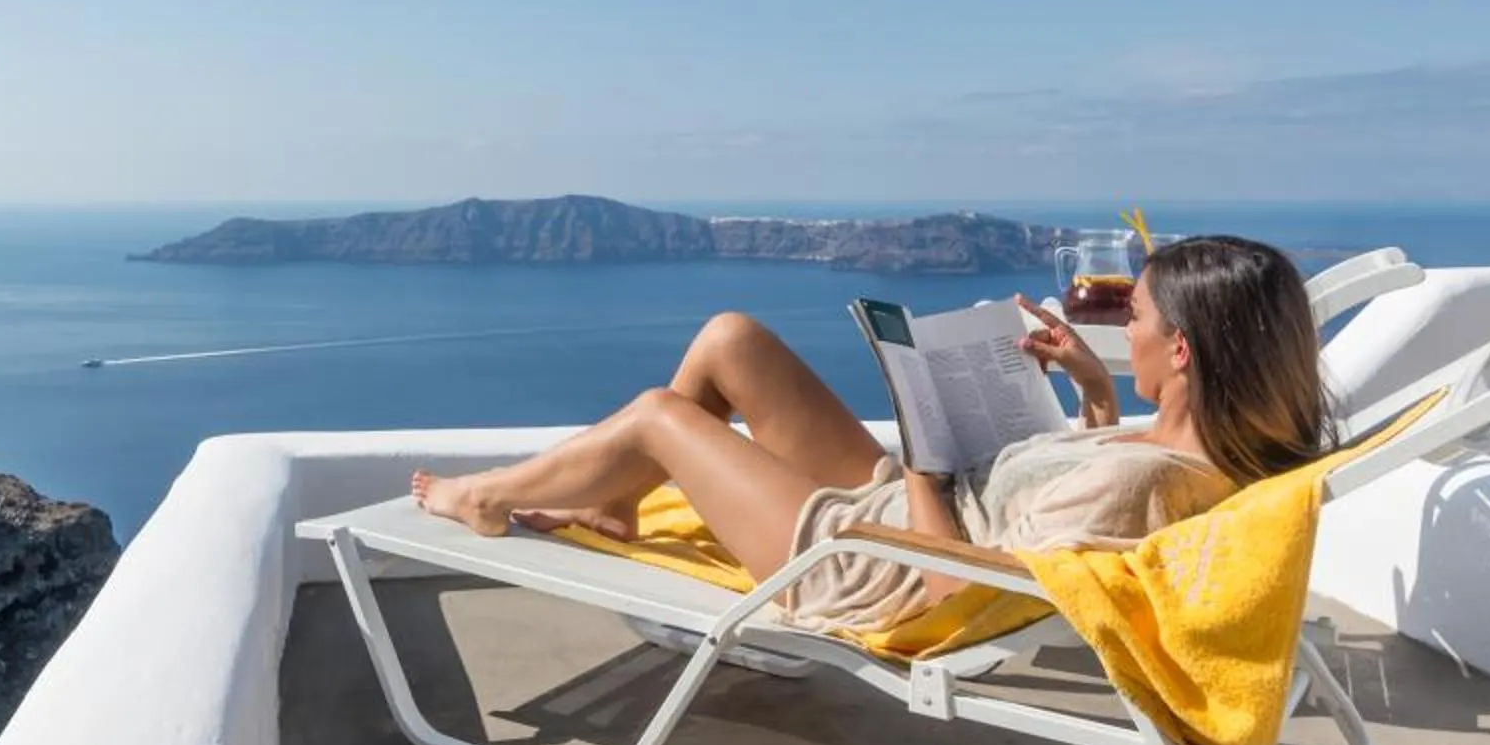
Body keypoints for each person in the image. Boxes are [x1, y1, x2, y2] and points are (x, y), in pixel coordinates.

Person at [410, 234, 1334, 629]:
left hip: (873, 564)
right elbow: (1079, 507)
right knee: (731, 340)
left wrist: (926, 457)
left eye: (1130, 317)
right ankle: (615, 506)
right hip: (904, 504)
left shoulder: (1150, 483)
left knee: (662, 416)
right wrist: (1094, 395)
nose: (1115, 327)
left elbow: (952, 590)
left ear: (1179, 349)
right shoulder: (1183, 450)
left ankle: (487, 498)